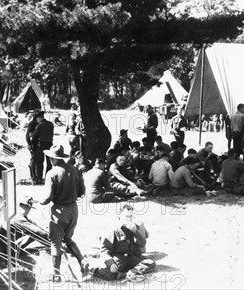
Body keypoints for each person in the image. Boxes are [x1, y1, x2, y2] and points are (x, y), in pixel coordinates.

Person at [40, 145, 90, 282]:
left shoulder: (52, 173)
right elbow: (82, 192)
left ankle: (56, 275)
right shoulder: (75, 170)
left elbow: (48, 196)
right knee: (68, 239)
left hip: (59, 211)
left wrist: (41, 202)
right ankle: (82, 261)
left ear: (52, 158)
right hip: (73, 209)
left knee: (55, 242)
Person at [91, 205, 156, 281]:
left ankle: (130, 273)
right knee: (111, 275)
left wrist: (136, 232)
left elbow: (142, 244)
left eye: (131, 216)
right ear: (119, 216)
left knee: (151, 262)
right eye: (126, 216)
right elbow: (104, 250)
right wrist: (110, 263)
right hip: (119, 259)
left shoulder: (134, 227)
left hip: (131, 258)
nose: (129, 219)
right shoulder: (113, 229)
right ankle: (94, 270)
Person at [31, 111, 54, 185]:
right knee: (49, 162)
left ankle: (39, 179)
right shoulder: (51, 124)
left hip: (41, 145)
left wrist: (31, 135)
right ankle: (48, 178)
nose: (36, 121)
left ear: (39, 118)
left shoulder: (39, 125)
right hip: (49, 144)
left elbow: (34, 135)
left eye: (37, 119)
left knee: (39, 162)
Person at [25, 111, 39, 181]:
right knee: (33, 160)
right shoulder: (32, 124)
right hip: (33, 143)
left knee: (35, 160)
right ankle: (33, 175)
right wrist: (29, 144)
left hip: (36, 143)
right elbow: (28, 135)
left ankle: (34, 175)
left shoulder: (36, 123)